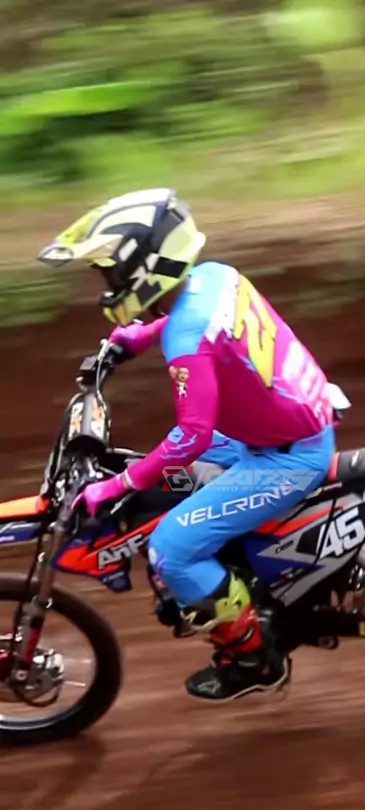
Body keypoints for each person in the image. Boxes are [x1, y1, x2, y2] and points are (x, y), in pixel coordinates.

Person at [38, 188, 336, 703]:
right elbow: (199, 319)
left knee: (170, 549)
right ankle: (240, 578)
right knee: (174, 484)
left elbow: (191, 436)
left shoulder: (186, 338)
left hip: (287, 455)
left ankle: (255, 661)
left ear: (142, 269)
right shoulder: (216, 275)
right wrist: (141, 334)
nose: (108, 287)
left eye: (111, 275)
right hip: (280, 425)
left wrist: (118, 485)